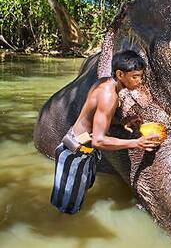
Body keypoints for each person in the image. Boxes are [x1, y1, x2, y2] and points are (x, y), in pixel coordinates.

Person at [51, 50, 159, 214]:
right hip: (75, 154)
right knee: (66, 211)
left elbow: (94, 117)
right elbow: (99, 141)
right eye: (135, 76)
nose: (139, 81)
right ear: (120, 74)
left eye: (140, 76)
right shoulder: (110, 96)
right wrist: (136, 143)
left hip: (78, 146)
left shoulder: (104, 83)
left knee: (73, 201)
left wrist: (122, 120)